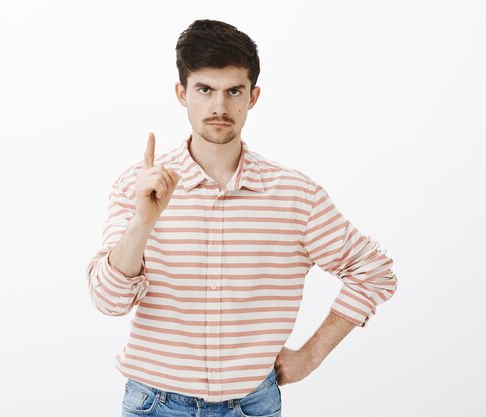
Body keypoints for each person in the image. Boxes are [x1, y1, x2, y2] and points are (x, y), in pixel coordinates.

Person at [85, 18, 397, 417]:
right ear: (182, 94)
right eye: (205, 90)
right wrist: (142, 222)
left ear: (253, 96)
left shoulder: (294, 195)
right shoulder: (139, 184)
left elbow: (373, 270)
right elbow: (109, 302)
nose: (219, 107)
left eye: (234, 91)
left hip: (252, 404)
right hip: (155, 404)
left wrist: (311, 355)